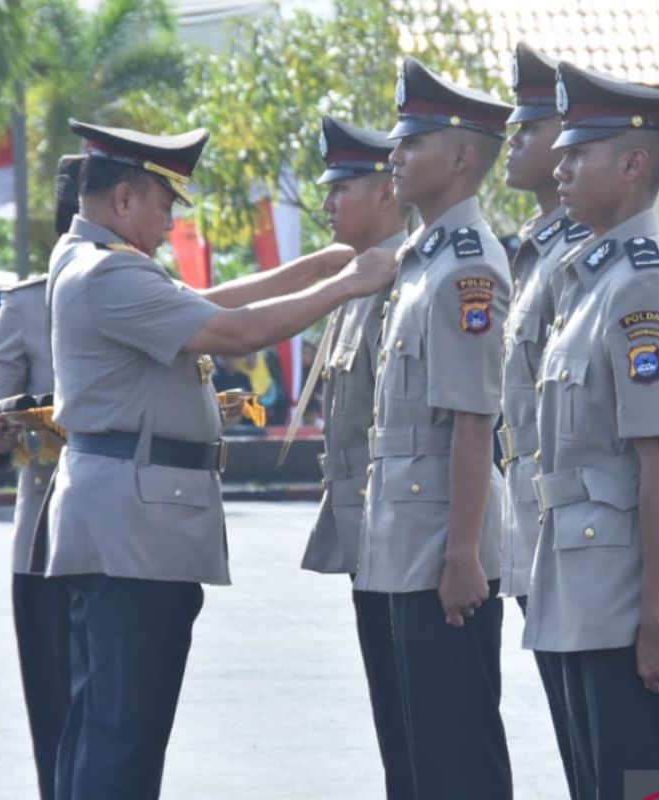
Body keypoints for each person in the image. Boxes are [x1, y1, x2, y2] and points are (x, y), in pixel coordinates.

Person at [37, 119, 395, 800]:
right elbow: (234, 330)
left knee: (106, 725)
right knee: (124, 734)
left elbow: (210, 302)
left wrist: (322, 266)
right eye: (164, 206)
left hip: (123, 523)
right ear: (123, 201)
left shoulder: (91, 262)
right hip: (132, 533)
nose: (170, 225)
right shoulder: (108, 272)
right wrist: (351, 284)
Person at [522, 61, 659, 800]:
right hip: (585, 581)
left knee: (634, 786)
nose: (561, 165)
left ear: (634, 162)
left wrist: (658, 617)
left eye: (579, 153)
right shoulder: (590, 279)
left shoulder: (644, 281)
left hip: (630, 592)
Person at [355, 57, 514, 799]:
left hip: (438, 545)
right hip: (401, 535)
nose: (395, 155)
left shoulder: (466, 268)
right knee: (414, 756)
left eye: (412, 142)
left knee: (455, 754)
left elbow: (475, 421)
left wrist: (461, 556)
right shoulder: (420, 261)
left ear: (459, 158)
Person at [299, 114, 413, 799]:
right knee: (397, 726)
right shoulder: (362, 280)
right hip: (370, 533)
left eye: (342, 187)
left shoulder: (402, 280)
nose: (327, 203)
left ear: (387, 194)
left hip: (406, 532)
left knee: (426, 725)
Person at [0, 154, 83, 800]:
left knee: (118, 722)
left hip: (124, 533)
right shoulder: (25, 304)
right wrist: (6, 424)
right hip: (44, 536)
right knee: (54, 713)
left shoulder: (149, 293)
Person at [500, 40, 587, 799]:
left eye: (525, 131)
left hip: (583, 520)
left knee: (610, 749)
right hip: (537, 516)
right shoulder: (533, 250)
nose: (512, 143)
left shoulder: (584, 254)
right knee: (575, 733)